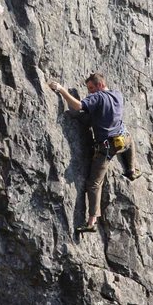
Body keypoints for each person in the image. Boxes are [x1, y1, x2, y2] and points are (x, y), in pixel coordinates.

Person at [48, 72, 142, 233]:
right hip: (122, 139)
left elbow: (78, 106)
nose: (89, 92)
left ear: (100, 85)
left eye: (91, 88)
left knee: (94, 183)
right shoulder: (117, 95)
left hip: (106, 147)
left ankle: (91, 222)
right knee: (129, 139)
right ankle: (132, 170)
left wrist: (61, 90)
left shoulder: (97, 97)